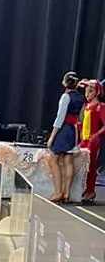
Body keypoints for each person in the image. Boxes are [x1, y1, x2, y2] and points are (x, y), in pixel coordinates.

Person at [47, 71, 85, 204]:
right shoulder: (81, 98)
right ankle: (67, 193)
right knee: (68, 160)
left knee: (53, 159)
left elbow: (60, 117)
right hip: (73, 130)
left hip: (64, 130)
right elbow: (81, 117)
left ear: (64, 82)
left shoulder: (65, 96)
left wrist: (52, 137)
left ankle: (58, 192)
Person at [78, 80, 103, 204]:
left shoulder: (100, 106)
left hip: (93, 141)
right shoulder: (86, 106)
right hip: (84, 139)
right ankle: (83, 189)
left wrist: (96, 135)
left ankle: (90, 191)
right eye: (86, 91)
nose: (87, 94)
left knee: (91, 166)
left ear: (97, 92)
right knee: (81, 165)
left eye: (91, 91)